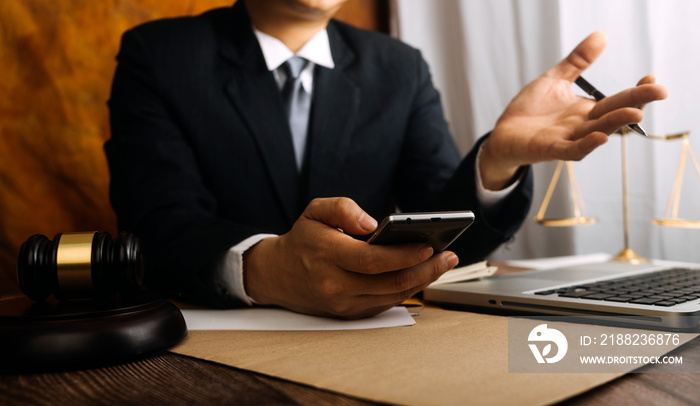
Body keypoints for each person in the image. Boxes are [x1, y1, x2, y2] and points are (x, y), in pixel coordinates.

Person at [105, 0, 667, 319]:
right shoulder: (159, 54)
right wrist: (268, 268)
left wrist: (495, 160)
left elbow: (438, 237)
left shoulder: (399, 66)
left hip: (377, 340)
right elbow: (156, 222)